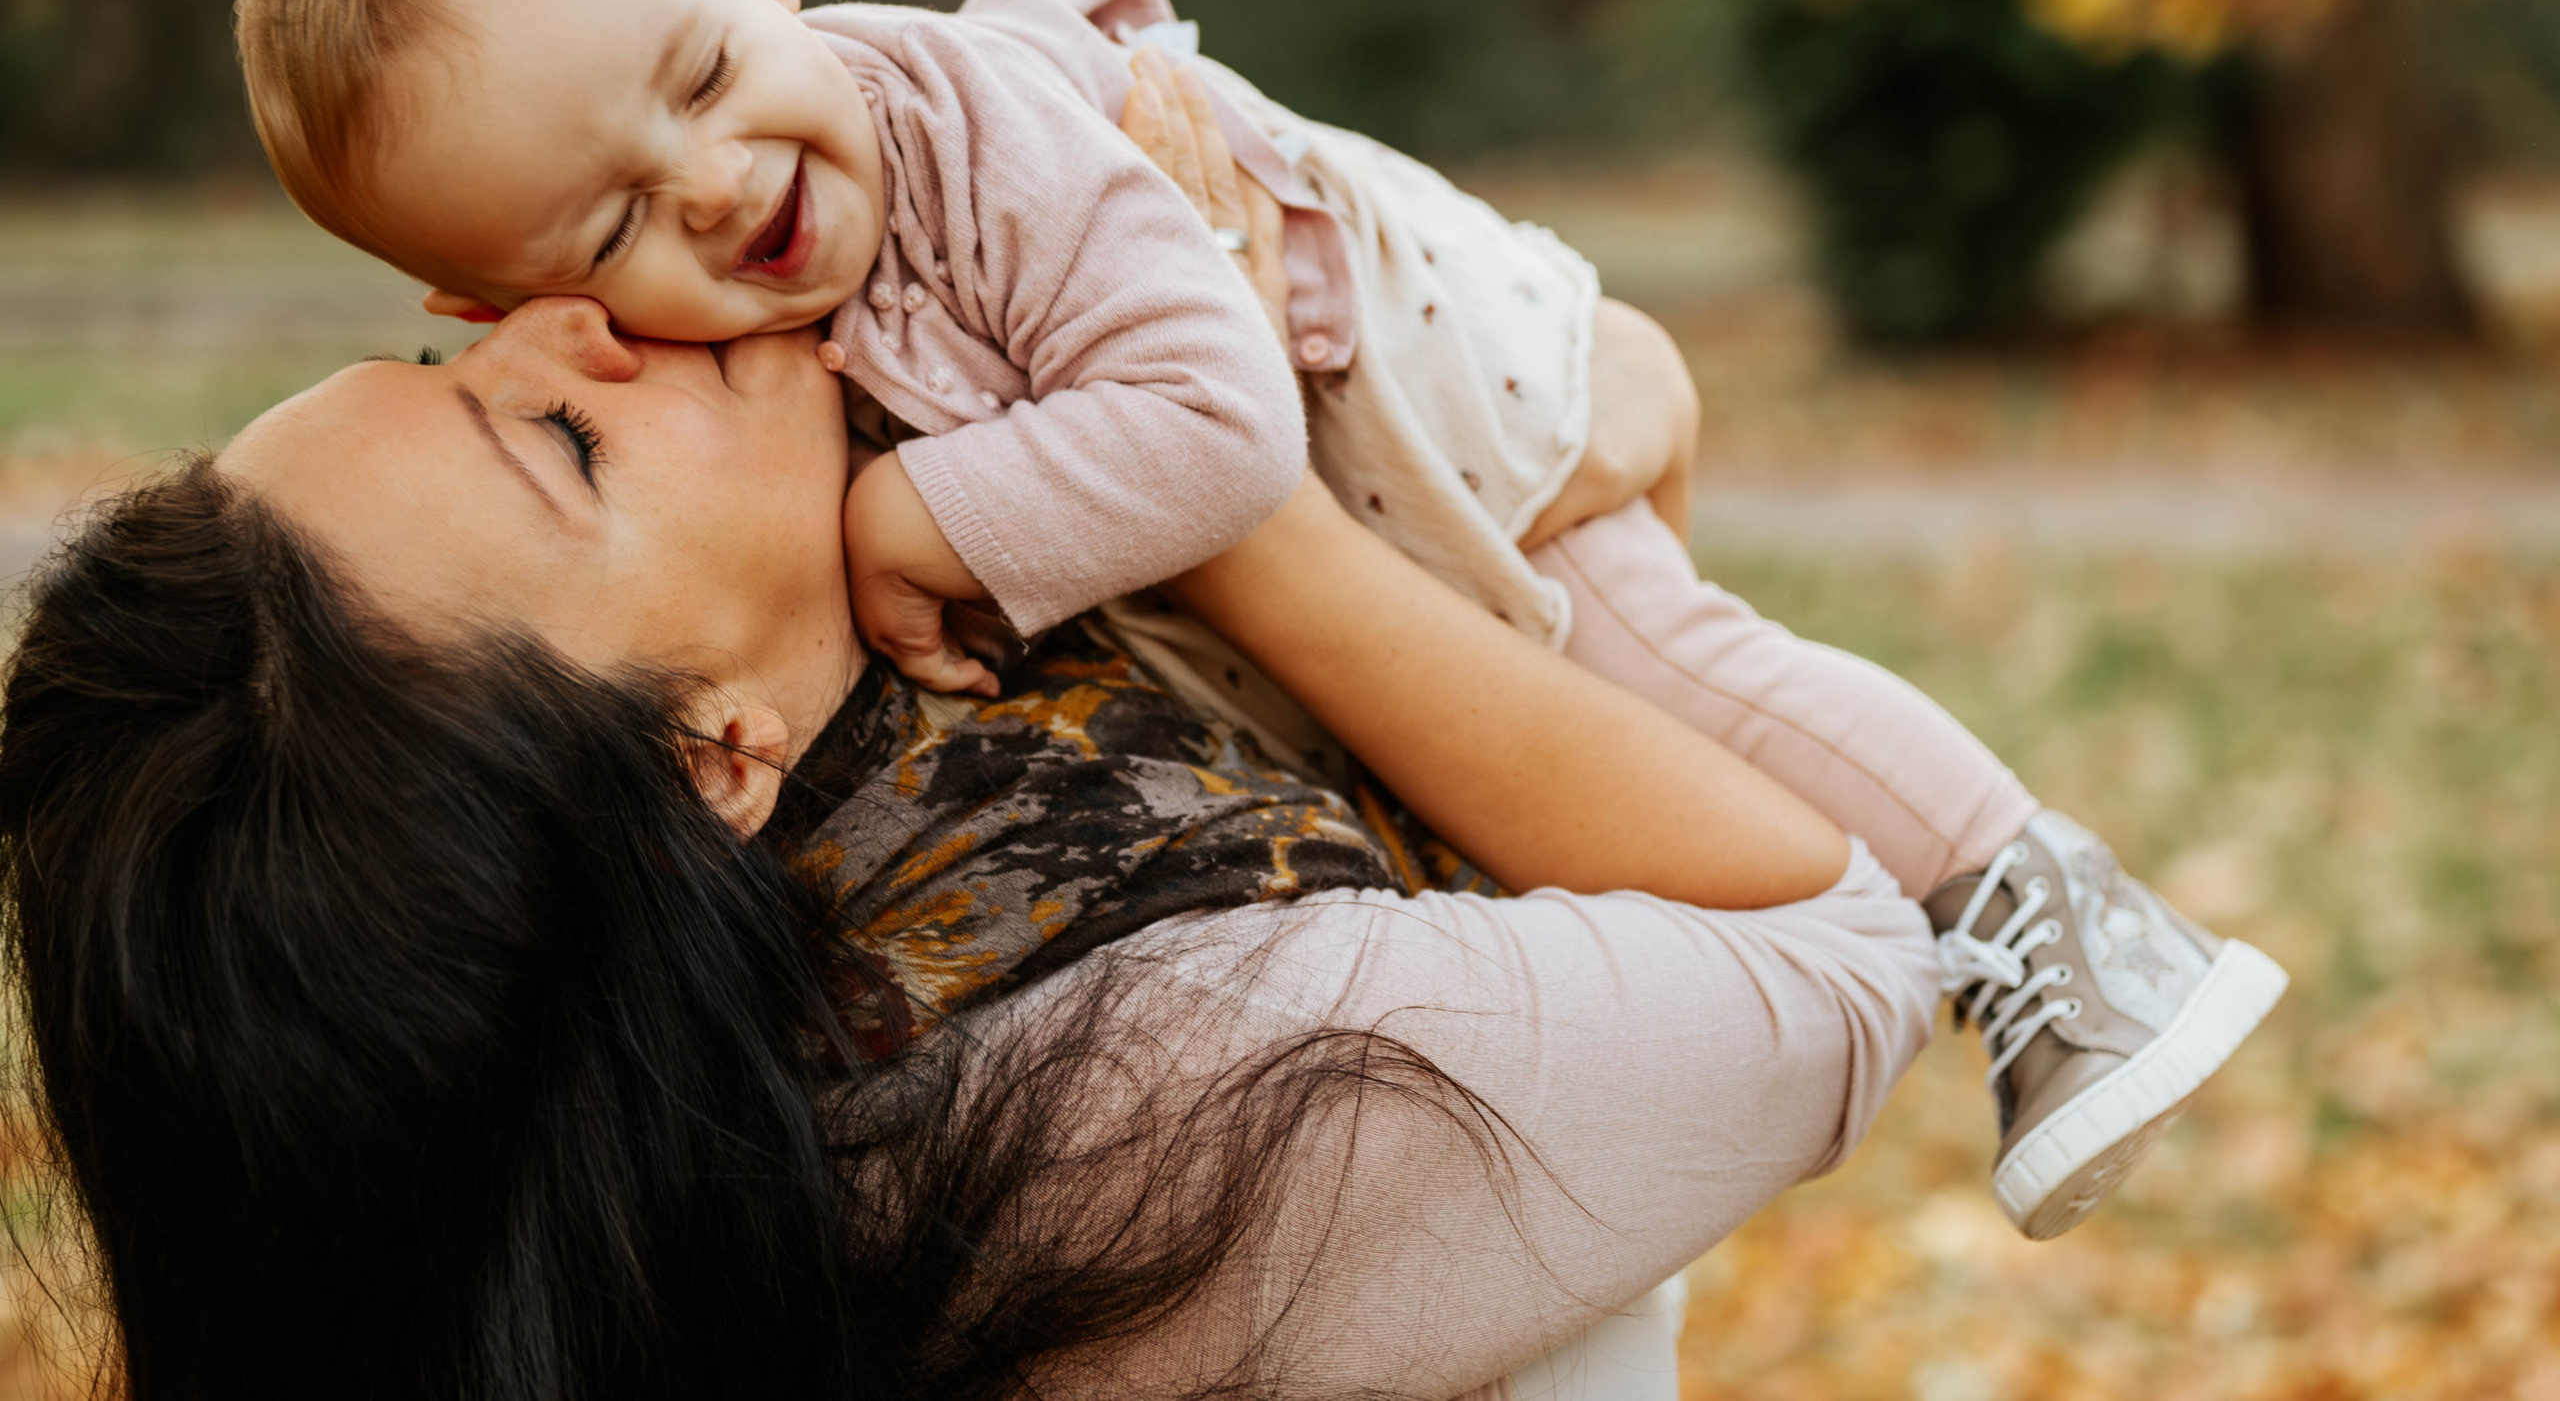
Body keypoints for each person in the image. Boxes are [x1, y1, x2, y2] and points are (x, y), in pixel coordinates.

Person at [226, 0, 2282, 1236]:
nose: (710, 178)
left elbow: (1207, 437)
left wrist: (911, 515)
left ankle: (2051, 913)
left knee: (1659, 654)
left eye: (698, 66)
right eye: (610, 216)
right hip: (1349, 458)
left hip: (1397, 384)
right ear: (513, 304)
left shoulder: (969, 118)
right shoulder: (763, 330)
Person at [4, 292, 1930, 1399]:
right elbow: (1846, 947)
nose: (563, 321)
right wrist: (1216, 475)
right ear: (707, 757)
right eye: (562, 443)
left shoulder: (662, 1106)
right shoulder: (1173, 1078)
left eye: (439, 361)